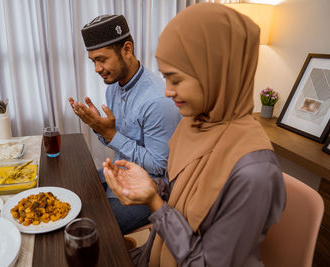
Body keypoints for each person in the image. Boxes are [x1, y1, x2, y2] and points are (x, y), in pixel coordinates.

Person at [103, 3, 286, 266]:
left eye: (175, 80)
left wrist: (155, 203)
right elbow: (181, 191)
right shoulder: (195, 124)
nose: (166, 91)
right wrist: (152, 187)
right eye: (165, 77)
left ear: (217, 73)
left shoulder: (255, 172)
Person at [68, 15, 181, 234]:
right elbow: (119, 139)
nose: (97, 69)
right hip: (122, 170)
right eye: (93, 61)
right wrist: (99, 127)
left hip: (151, 187)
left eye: (102, 59)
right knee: (72, 197)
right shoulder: (113, 87)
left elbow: (160, 166)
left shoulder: (157, 100)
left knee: (90, 228)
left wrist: (110, 133)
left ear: (127, 49)